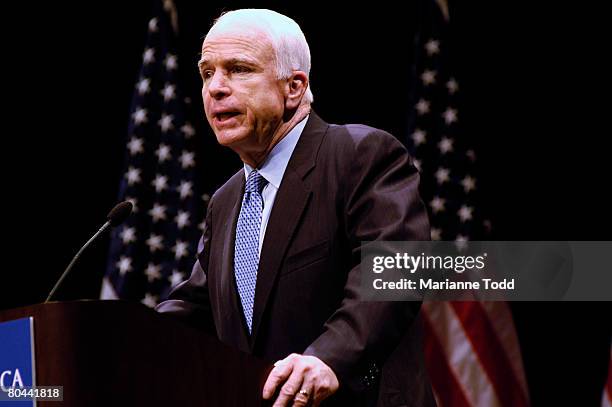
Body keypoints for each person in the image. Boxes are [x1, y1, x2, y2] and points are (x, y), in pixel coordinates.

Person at [156, 8, 434, 407]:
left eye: (238, 69)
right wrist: (109, 340)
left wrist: (328, 359)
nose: (215, 88)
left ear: (294, 87)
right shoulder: (227, 200)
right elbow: (196, 311)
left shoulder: (358, 155)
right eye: (206, 73)